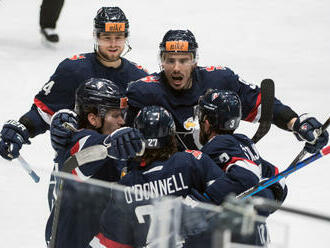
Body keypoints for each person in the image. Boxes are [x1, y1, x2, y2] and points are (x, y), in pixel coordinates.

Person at [88, 105, 283, 248]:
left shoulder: (126, 185)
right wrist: (273, 188)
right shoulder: (192, 161)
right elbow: (239, 191)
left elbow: (105, 244)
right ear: (172, 138)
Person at [125, 29, 328, 153]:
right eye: (170, 60)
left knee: (270, 187)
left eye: (183, 60)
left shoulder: (219, 80)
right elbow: (122, 136)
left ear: (194, 61)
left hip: (215, 172)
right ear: (162, 61)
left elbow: (259, 103)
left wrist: (296, 123)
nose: (176, 68)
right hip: (169, 179)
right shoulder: (143, 91)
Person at [0, 6, 148, 162]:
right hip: (77, 163)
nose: (113, 44)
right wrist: (20, 129)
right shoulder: (73, 69)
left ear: (126, 37)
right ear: (95, 36)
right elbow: (43, 113)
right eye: (106, 37)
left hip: (122, 167)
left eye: (118, 37)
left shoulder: (139, 78)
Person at [45, 78, 144, 248]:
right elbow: (81, 155)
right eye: (115, 115)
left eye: (122, 115)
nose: (122, 121)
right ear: (93, 118)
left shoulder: (114, 149)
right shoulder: (75, 141)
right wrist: (109, 144)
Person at [195, 89, 287, 246]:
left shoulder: (217, 144)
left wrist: (204, 202)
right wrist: (263, 199)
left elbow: (246, 176)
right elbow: (279, 181)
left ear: (207, 122)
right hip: (256, 235)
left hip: (232, 238)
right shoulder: (243, 142)